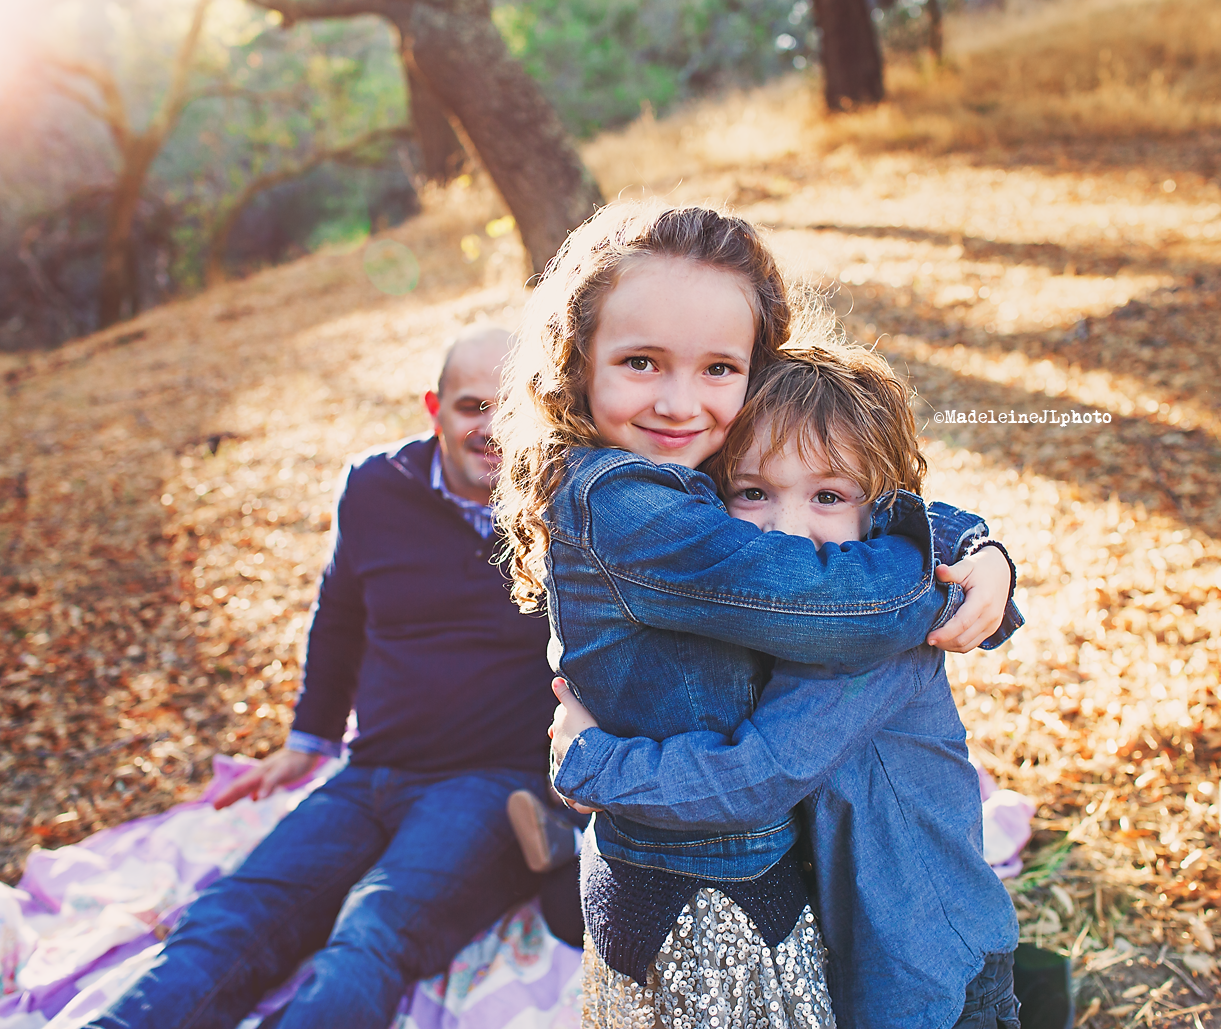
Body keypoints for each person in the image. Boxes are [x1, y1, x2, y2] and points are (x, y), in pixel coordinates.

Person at [491, 202, 1017, 1028]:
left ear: (751, 372)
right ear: (575, 358)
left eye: (717, 368)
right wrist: (956, 568)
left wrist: (971, 553)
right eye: (640, 361)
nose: (678, 402)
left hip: (919, 967)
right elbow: (810, 571)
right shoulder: (641, 498)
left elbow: (765, 755)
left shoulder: (851, 632)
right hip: (733, 909)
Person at [84, 327, 576, 1029]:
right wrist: (307, 741)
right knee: (230, 916)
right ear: (434, 408)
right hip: (369, 771)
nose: (493, 429)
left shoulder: (566, 506)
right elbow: (339, 616)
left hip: (489, 783)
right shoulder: (375, 487)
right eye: (473, 406)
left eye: (513, 409)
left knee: (370, 932)